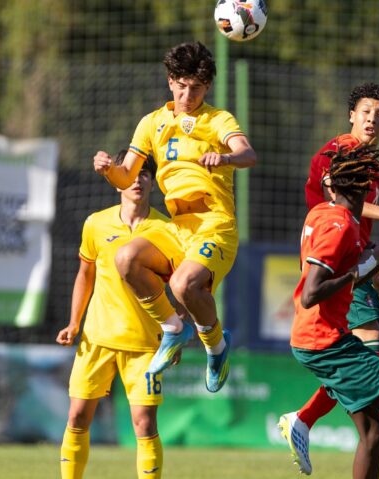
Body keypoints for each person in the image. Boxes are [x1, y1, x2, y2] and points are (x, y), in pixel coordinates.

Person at [278, 83, 379, 475]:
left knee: (373, 428)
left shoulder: (364, 173)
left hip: (339, 289)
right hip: (323, 326)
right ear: (351, 114)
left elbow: (354, 244)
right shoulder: (341, 157)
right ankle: (315, 419)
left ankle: (376, 427)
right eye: (366, 111)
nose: (372, 118)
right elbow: (339, 213)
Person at [93, 41, 257, 392]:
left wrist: (225, 158)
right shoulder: (152, 123)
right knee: (126, 258)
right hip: (178, 227)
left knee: (183, 285)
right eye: (181, 86)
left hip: (215, 224)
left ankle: (216, 347)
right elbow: (126, 175)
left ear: (207, 87)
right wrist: (109, 170)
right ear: (170, 81)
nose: (187, 95)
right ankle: (172, 328)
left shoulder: (218, 120)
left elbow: (247, 154)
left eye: (196, 88)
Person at [57, 151, 170, 479]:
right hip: (97, 337)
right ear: (117, 181)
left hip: (145, 343)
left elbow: (178, 284)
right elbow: (85, 275)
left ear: (153, 182)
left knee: (144, 423)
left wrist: (175, 333)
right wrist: (74, 322)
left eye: (144, 173)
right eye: (130, 173)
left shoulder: (166, 229)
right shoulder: (96, 223)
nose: (137, 180)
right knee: (77, 417)